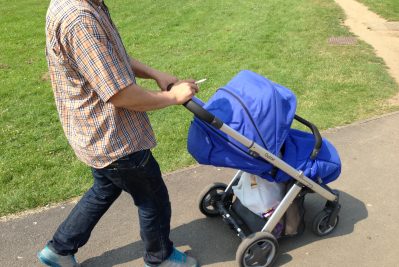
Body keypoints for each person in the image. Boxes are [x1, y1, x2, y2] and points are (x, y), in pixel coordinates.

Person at [38, 0, 199, 266]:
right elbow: (120, 94)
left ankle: (59, 249)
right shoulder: (80, 19)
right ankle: (160, 258)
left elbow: (111, 59)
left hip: (92, 134)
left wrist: (153, 73)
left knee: (104, 189)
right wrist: (173, 96)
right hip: (114, 138)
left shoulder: (83, 4)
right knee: (152, 198)